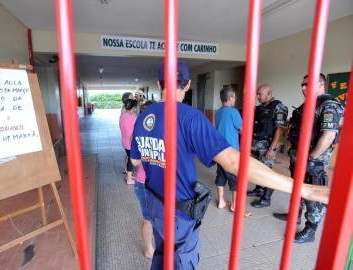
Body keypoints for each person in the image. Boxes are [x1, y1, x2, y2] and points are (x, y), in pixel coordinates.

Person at [130, 63, 329, 269]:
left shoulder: (145, 115)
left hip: (154, 202)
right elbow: (234, 162)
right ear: (188, 85)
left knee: (163, 253)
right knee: (181, 260)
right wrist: (304, 188)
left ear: (158, 84)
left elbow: (136, 161)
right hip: (178, 213)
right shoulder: (190, 117)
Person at [273, 73, 343, 243]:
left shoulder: (329, 105)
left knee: (313, 193)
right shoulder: (308, 105)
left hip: (313, 160)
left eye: (308, 84)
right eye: (302, 84)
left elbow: (328, 135)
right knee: (297, 187)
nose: (303, 87)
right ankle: (295, 215)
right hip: (298, 154)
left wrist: (311, 158)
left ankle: (311, 229)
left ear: (321, 85)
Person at [247, 84, 288, 208]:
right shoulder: (260, 108)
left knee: (267, 172)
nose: (257, 96)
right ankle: (259, 189)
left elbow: (280, 129)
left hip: (268, 146)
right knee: (257, 169)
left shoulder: (279, 107)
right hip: (256, 144)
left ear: (269, 94)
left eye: (260, 94)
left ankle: (266, 198)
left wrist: (272, 148)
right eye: (257, 94)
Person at [214, 86, 251, 216]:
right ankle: (235, 206)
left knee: (221, 175)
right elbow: (242, 129)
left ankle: (221, 201)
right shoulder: (233, 112)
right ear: (230, 98)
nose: (235, 99)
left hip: (219, 150)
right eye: (234, 97)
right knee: (235, 178)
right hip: (231, 151)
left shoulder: (218, 112)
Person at [134, 100, 156, 258]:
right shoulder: (162, 132)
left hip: (142, 181)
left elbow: (134, 161)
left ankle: (149, 249)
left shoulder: (138, 131)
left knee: (148, 218)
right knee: (151, 218)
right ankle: (149, 249)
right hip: (150, 183)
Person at [119, 98, 138, 184]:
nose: (135, 109)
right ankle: (129, 179)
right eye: (135, 107)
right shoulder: (133, 117)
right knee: (131, 160)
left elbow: (121, 127)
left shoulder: (122, 115)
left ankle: (129, 175)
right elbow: (136, 130)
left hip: (124, 141)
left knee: (129, 157)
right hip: (131, 141)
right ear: (133, 107)